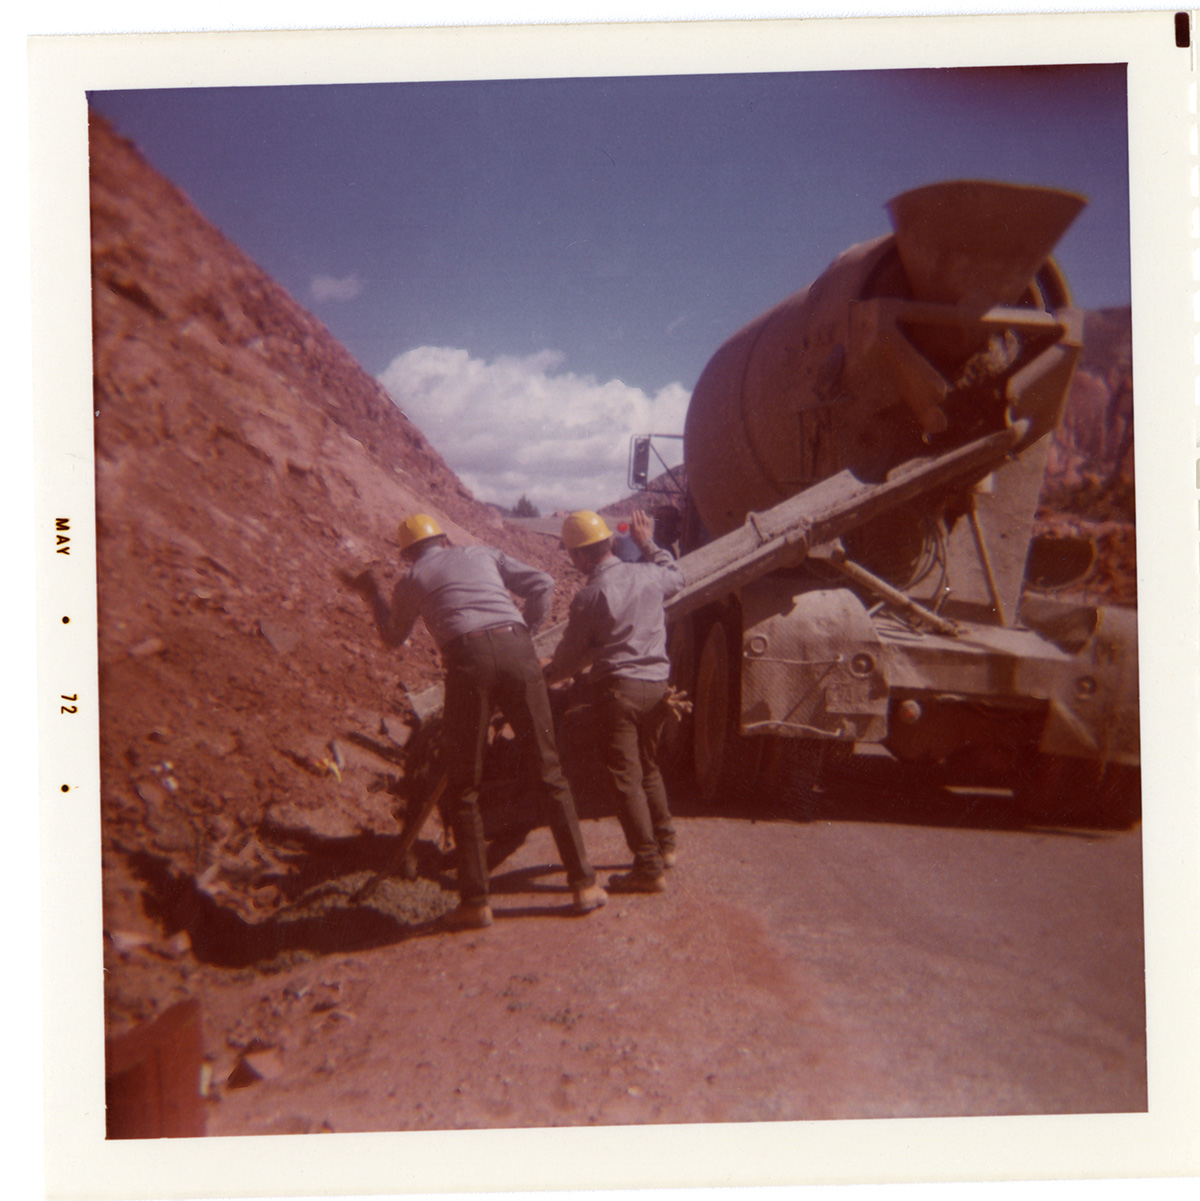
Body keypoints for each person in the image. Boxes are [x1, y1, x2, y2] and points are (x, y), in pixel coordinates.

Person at [358, 513, 607, 929]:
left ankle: (475, 903)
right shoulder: (481, 553)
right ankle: (583, 885)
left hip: (468, 662)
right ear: (444, 539)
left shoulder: (412, 579)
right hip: (517, 652)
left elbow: (393, 638)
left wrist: (371, 593)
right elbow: (543, 583)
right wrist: (525, 631)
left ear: (408, 552)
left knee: (465, 784)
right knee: (550, 772)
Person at [545, 509, 685, 893]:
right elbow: (679, 576)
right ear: (609, 543)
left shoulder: (590, 596)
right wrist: (647, 542)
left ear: (580, 557)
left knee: (626, 780)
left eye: (571, 555)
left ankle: (648, 866)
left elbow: (571, 659)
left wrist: (545, 676)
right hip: (657, 687)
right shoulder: (649, 574)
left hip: (617, 690)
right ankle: (667, 846)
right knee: (649, 767)